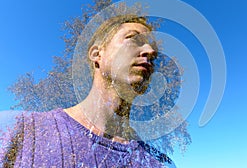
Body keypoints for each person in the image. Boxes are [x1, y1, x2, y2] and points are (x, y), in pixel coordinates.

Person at [0, 15, 175, 167]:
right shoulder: (16, 130)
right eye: (133, 39)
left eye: (155, 53)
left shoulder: (159, 163)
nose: (150, 51)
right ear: (96, 54)